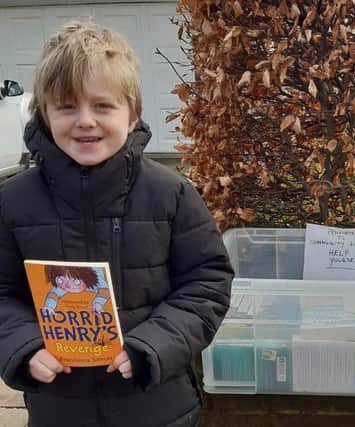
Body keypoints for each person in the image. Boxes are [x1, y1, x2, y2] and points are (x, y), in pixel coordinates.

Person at [0, 21, 234, 427]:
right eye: (67, 106)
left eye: (103, 106)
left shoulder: (172, 195)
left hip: (157, 404)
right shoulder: (13, 202)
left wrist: (153, 346)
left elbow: (207, 283)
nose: (85, 121)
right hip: (59, 407)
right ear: (44, 115)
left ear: (132, 116)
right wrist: (23, 346)